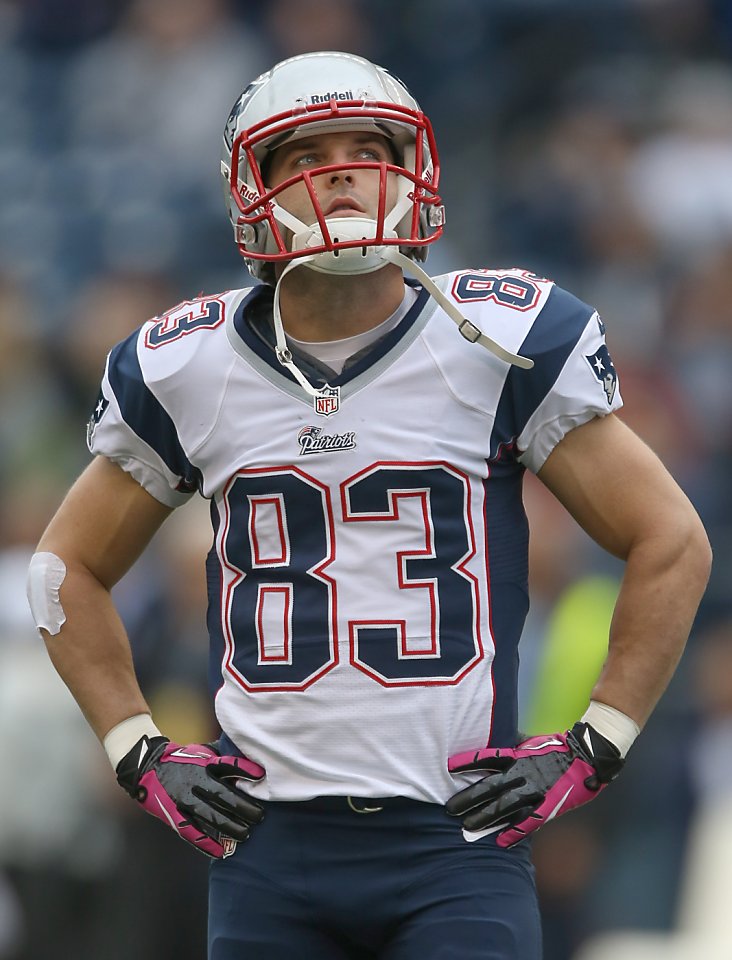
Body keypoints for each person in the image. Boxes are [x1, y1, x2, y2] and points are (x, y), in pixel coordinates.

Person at [28, 51, 711, 960]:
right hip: (266, 845)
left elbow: (671, 540)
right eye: (312, 151)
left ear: (416, 167)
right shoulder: (188, 365)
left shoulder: (496, 343)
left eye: (370, 145)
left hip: (456, 838)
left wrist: (596, 743)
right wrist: (137, 747)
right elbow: (61, 569)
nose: (347, 169)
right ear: (253, 185)